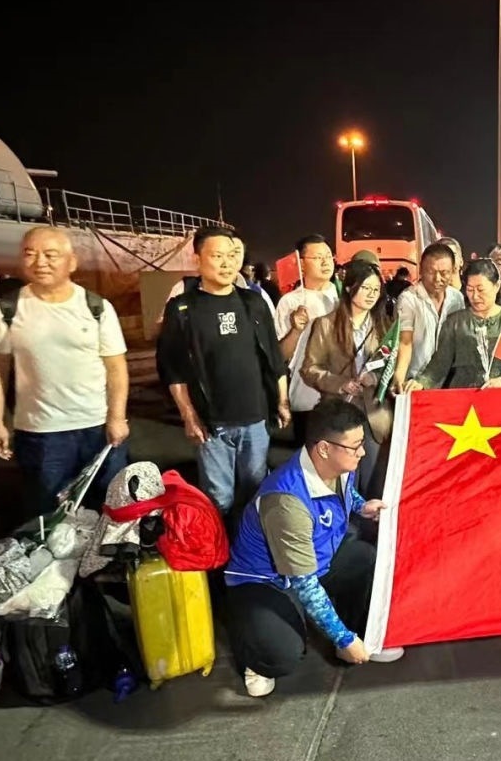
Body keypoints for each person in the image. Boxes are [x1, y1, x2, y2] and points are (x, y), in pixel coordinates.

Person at [224, 399, 404, 698]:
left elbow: (346, 491)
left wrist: (362, 506)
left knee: (366, 559)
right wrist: (343, 639)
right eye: (355, 446)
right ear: (324, 448)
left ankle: (355, 630)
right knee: (282, 654)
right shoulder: (287, 502)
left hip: (314, 560)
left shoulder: (338, 465)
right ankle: (255, 656)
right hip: (267, 581)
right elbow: (304, 583)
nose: (362, 452)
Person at [0, 226, 130, 516]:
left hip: (97, 427)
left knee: (113, 508)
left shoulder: (97, 307)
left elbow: (116, 367)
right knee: (50, 514)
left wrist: (117, 417)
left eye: (50, 255)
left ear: (71, 262)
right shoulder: (8, 309)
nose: (40, 262)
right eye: (30, 254)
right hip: (40, 433)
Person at [158, 225, 290, 518]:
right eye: (217, 256)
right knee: (218, 498)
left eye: (231, 256)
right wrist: (189, 416)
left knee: (256, 490)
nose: (227, 263)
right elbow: (173, 369)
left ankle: (251, 543)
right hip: (212, 423)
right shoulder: (182, 309)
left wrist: (281, 401)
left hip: (256, 418)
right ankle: (221, 544)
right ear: (197, 259)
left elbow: (273, 356)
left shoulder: (253, 303)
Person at [301, 260, 394, 498]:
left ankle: (369, 520)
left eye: (376, 289)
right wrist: (340, 383)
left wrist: (375, 377)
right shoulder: (326, 324)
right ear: (350, 287)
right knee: (341, 481)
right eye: (366, 288)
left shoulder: (384, 325)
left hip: (375, 414)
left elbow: (392, 365)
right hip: (340, 411)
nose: (371, 294)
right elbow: (309, 369)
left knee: (375, 483)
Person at [403, 258, 501, 391]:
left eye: (481, 289)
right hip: (464, 396)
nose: (475, 296)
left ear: (496, 286)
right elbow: (440, 364)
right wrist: (421, 382)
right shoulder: (456, 323)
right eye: (470, 290)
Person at [274, 234, 340, 444]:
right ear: (301, 264)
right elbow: (280, 356)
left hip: (343, 396)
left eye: (328, 256)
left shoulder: (343, 296)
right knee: (309, 457)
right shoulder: (290, 302)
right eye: (318, 257)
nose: (326, 262)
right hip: (307, 398)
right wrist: (295, 330)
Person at [391, 242, 466, 393]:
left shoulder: (457, 298)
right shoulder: (408, 299)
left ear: (453, 271)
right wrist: (399, 377)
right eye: (431, 272)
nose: (437, 278)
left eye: (444, 273)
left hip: (448, 382)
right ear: (421, 270)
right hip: (415, 381)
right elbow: (405, 342)